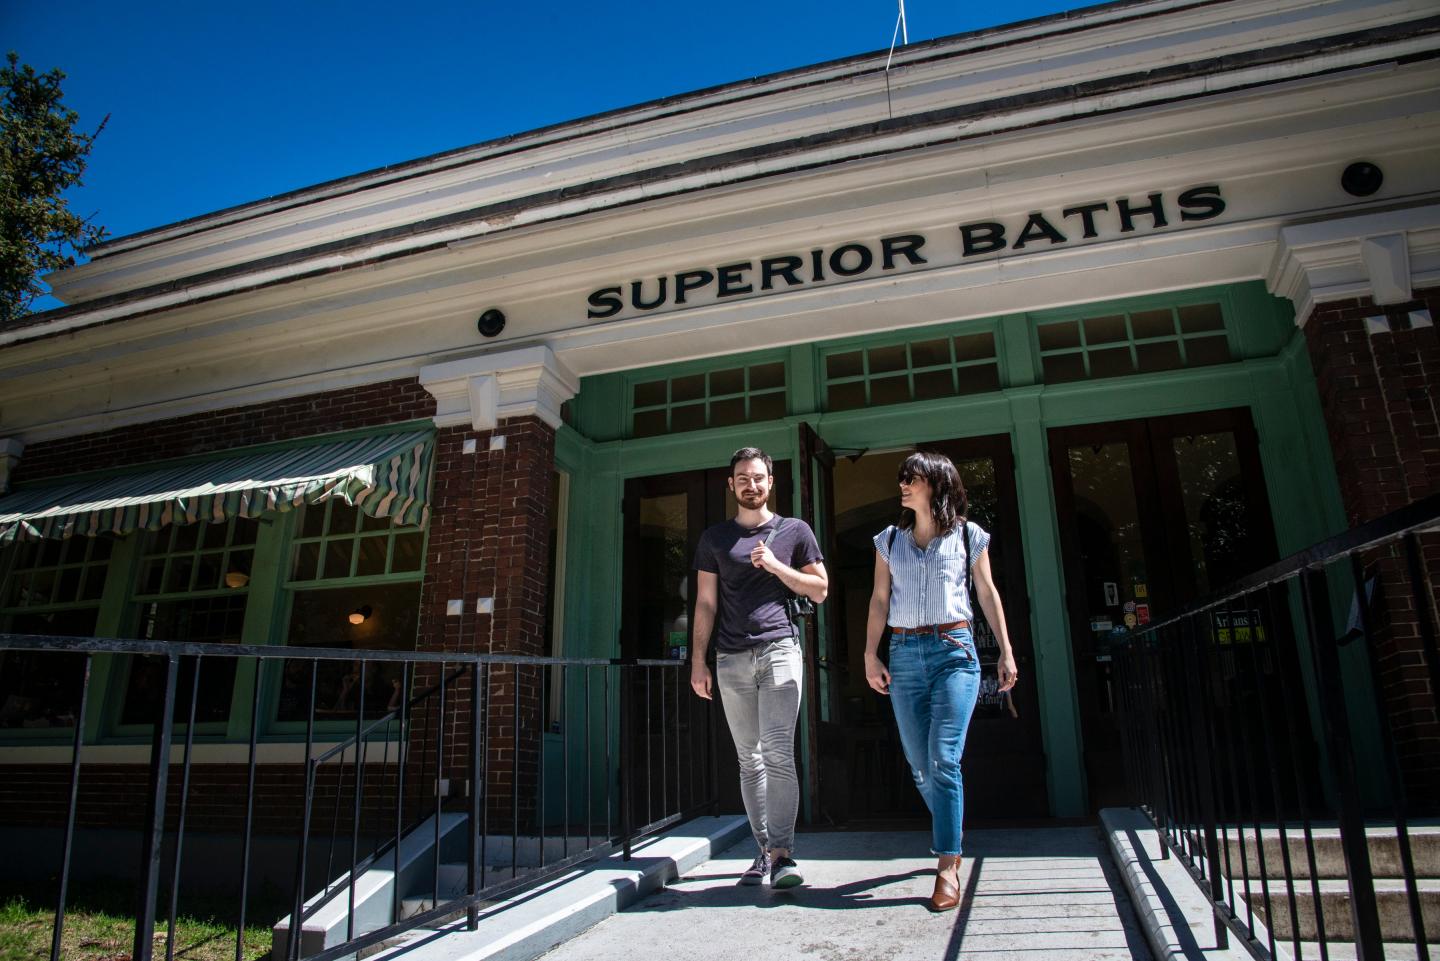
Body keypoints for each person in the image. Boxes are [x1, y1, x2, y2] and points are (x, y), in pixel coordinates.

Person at [863, 451, 1018, 912]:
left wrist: (1006, 650)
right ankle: (952, 826)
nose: (903, 485)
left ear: (936, 484)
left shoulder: (969, 535)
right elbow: (879, 599)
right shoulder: (889, 540)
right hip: (904, 653)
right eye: (902, 479)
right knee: (920, 765)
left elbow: (986, 592)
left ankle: (947, 863)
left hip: (955, 652)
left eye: (911, 479)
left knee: (943, 759)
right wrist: (870, 654)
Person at [690, 447, 828, 889]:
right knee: (748, 760)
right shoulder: (714, 539)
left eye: (758, 477)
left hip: (780, 651)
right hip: (730, 658)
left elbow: (820, 589)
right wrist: (698, 661)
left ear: (771, 482)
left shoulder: (795, 531)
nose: (751, 485)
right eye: (743, 478)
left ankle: (783, 855)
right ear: (731, 485)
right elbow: (706, 602)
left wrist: (775, 565)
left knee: (778, 753)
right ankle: (763, 851)